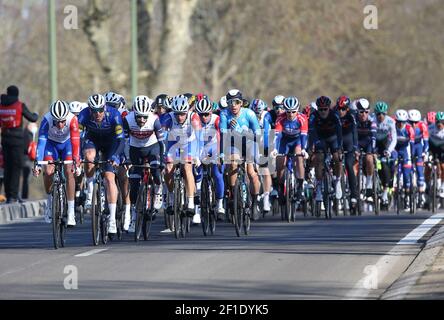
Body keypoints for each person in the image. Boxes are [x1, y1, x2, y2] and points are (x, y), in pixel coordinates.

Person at [78, 94, 125, 235]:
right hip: (92, 140)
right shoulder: (83, 115)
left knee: (110, 178)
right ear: (90, 109)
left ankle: (111, 220)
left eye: (100, 110)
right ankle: (91, 188)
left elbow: (121, 139)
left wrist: (116, 157)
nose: (97, 113)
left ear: (104, 108)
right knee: (89, 157)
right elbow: (77, 137)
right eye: (94, 110)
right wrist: (79, 156)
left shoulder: (114, 115)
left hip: (111, 143)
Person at [33, 100, 81, 226]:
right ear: (52, 118)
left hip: (67, 145)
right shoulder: (46, 120)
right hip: (51, 145)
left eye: (62, 121)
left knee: (69, 171)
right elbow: (41, 143)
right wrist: (37, 163)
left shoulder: (72, 119)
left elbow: (76, 142)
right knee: (48, 171)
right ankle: (49, 202)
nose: (60, 125)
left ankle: (71, 212)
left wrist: (76, 160)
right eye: (57, 122)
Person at [123, 95, 165, 232]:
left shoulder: (154, 120)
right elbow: (124, 142)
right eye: (139, 117)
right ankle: (134, 219)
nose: (142, 120)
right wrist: (126, 158)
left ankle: (158, 190)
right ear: (134, 113)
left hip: (152, 147)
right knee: (134, 185)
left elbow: (162, 143)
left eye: (144, 117)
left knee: (156, 170)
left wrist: (162, 160)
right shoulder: (128, 120)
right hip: (135, 149)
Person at [0, 85, 38, 203]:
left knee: (7, 167)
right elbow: (32, 118)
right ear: (17, 94)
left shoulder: (1, 106)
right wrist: (36, 114)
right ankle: (14, 195)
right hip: (17, 140)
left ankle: (7, 195)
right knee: (16, 167)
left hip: (5, 138)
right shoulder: (19, 105)